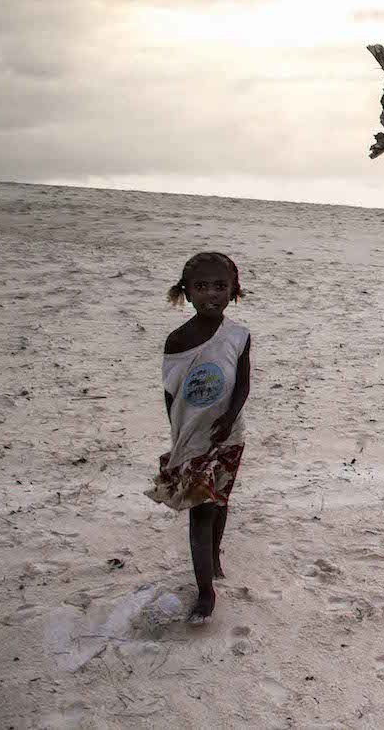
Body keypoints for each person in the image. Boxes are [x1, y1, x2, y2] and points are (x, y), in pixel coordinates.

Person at [146, 251, 252, 624]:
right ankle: (205, 592)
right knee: (200, 514)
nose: (211, 294)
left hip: (230, 436)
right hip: (193, 441)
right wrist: (181, 438)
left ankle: (215, 556)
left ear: (234, 291)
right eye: (202, 286)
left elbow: (243, 385)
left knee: (220, 502)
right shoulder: (178, 340)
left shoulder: (239, 335)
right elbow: (171, 393)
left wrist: (229, 417)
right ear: (187, 293)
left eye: (220, 286)